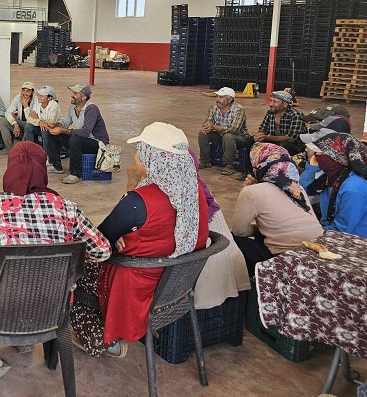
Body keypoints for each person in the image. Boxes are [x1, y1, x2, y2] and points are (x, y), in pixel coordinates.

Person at [0, 142, 111, 380]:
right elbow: (103, 251)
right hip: (52, 310)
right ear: (43, 169)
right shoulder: (66, 208)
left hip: (0, 312)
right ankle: (37, 343)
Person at [70, 122, 209, 357]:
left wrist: (131, 185)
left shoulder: (138, 202)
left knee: (73, 272)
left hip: (137, 288)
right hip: (175, 287)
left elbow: (100, 240)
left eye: (140, 152)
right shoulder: (192, 190)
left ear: (151, 159)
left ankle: (103, 339)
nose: (134, 158)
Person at [230, 143, 322, 277]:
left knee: (231, 238)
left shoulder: (251, 192)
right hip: (315, 250)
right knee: (263, 233)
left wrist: (259, 229)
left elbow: (239, 230)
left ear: (259, 163)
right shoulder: (297, 188)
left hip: (283, 258)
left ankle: (253, 280)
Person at [188, 148, 251, 309]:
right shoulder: (201, 189)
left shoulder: (180, 198)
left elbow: (239, 230)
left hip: (199, 284)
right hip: (227, 274)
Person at [300, 131, 367, 237]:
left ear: (336, 158)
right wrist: (310, 169)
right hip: (329, 230)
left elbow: (341, 229)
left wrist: (314, 234)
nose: (316, 156)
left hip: (353, 240)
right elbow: (301, 192)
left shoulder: (353, 189)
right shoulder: (331, 178)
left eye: (321, 153)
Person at [40, 84, 109, 184]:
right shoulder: (73, 107)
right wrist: (53, 126)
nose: (72, 95)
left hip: (98, 143)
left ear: (84, 97)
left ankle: (75, 174)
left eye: (75, 93)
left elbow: (85, 132)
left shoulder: (92, 109)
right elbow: (64, 124)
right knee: (51, 133)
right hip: (82, 139)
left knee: (75, 139)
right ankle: (56, 166)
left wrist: (63, 130)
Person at [197, 87, 250, 175]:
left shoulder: (239, 109)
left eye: (221, 97)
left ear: (230, 100)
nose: (217, 99)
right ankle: (205, 161)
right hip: (221, 137)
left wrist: (213, 127)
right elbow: (208, 121)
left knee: (228, 136)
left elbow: (234, 130)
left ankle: (229, 165)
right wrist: (206, 127)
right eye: (217, 96)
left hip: (239, 138)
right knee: (203, 134)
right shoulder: (214, 107)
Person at [253, 90, 305, 156]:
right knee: (252, 141)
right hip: (275, 142)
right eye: (271, 100)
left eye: (274, 102)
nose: (270, 104)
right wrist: (259, 134)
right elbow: (263, 128)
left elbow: (290, 138)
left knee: (283, 146)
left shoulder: (296, 115)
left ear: (285, 104)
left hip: (295, 146)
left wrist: (266, 137)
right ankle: (250, 166)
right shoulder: (270, 112)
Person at [0, 81, 35, 150]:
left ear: (32, 92)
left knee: (28, 125)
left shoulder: (36, 101)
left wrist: (25, 105)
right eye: (23, 90)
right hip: (21, 126)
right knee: (3, 121)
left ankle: (22, 150)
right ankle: (9, 149)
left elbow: (31, 121)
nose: (25, 93)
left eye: (28, 91)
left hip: (31, 128)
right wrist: (15, 124)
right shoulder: (18, 97)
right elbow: (7, 112)